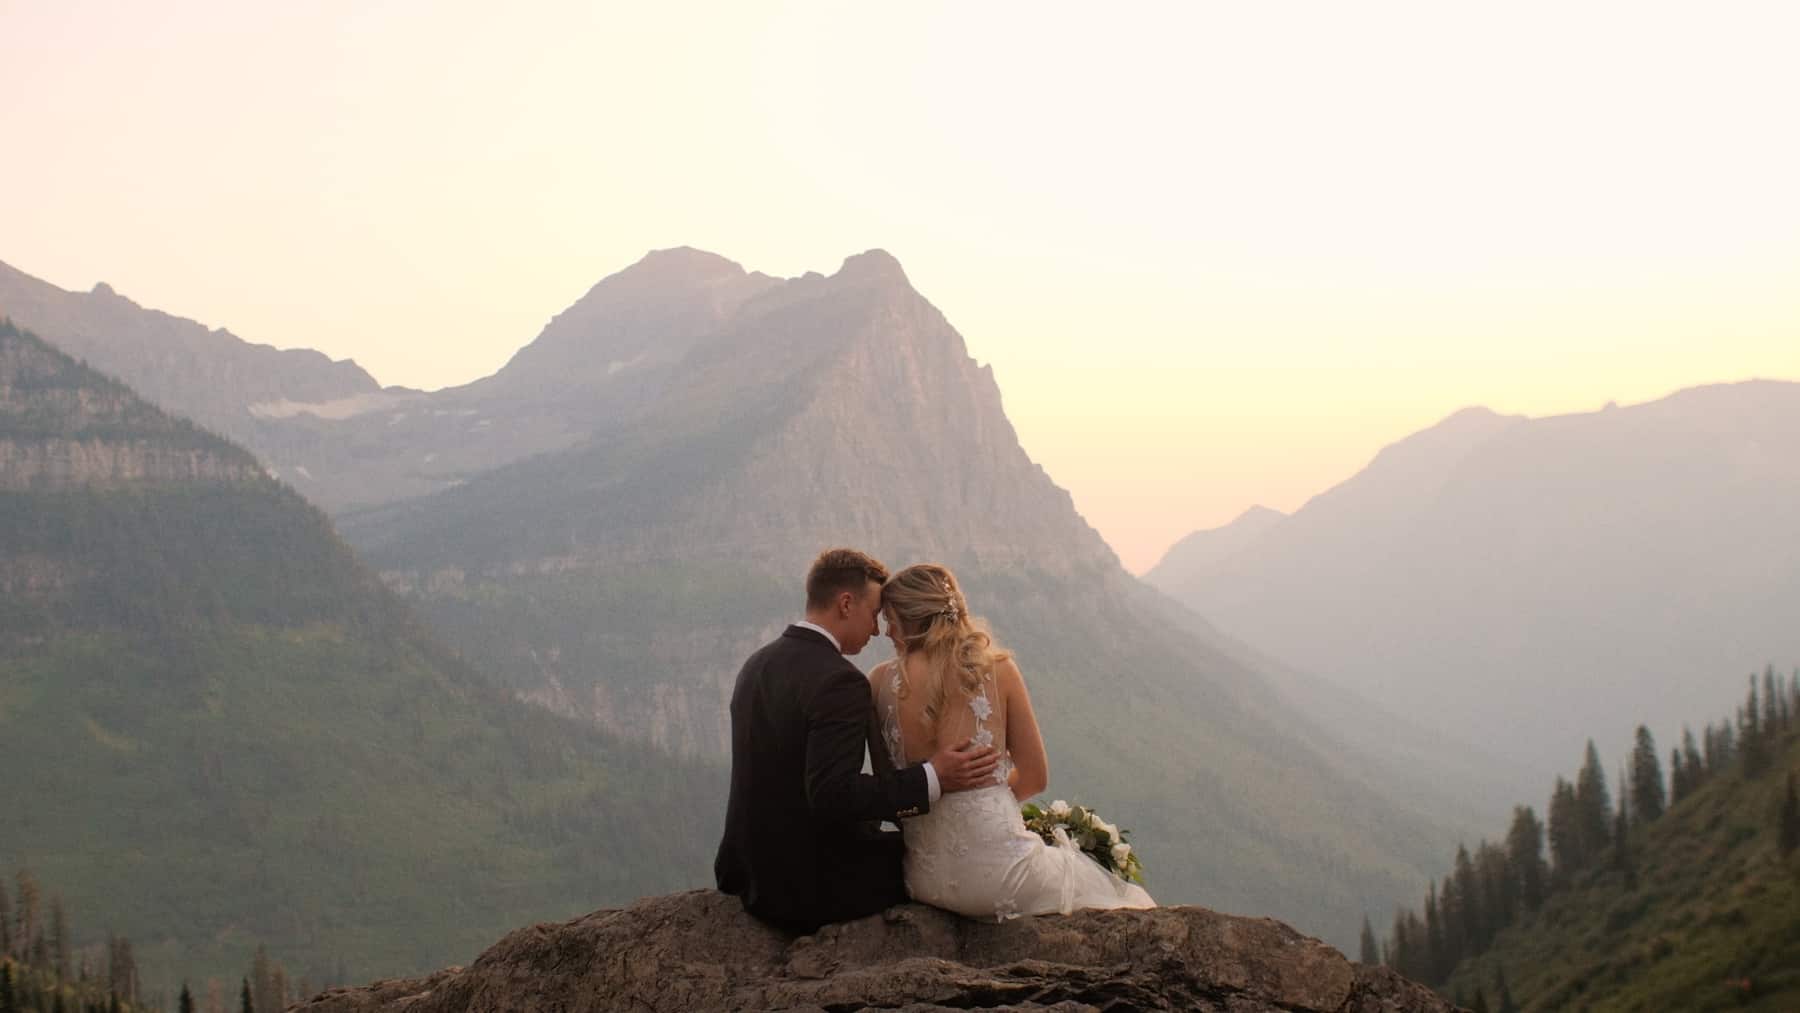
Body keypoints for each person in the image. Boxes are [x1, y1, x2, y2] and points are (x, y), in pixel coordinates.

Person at [714, 548, 999, 934]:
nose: (877, 631)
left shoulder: (757, 664)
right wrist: (933, 776)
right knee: (934, 862)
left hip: (747, 870)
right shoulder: (840, 680)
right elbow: (834, 795)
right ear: (846, 604)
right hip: (808, 886)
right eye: (874, 613)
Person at [872, 562, 1155, 922]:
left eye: (891, 620)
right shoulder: (997, 670)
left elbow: (890, 788)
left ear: (912, 619)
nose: (886, 632)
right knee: (1121, 897)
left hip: (924, 880)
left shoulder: (878, 682)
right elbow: (1035, 776)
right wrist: (986, 808)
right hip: (1003, 880)